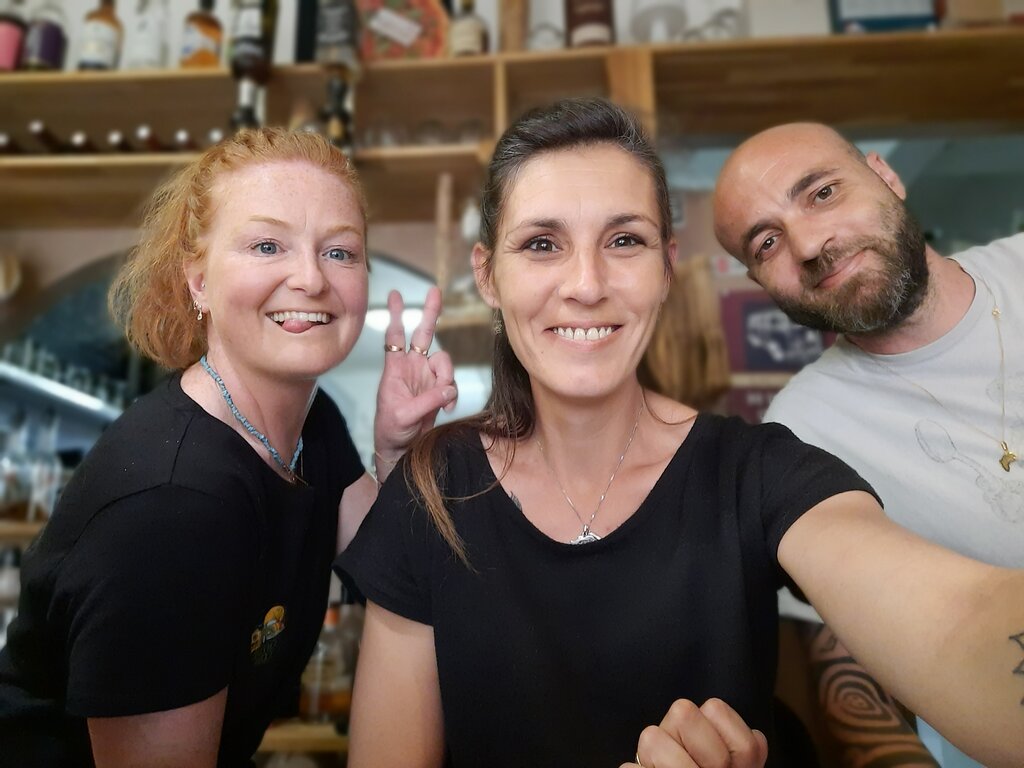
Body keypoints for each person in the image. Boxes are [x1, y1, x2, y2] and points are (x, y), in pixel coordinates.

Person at [335, 98, 1024, 768]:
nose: (586, 284)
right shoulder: (432, 487)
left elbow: (960, 620)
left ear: (666, 268)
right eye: (542, 244)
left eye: (624, 241)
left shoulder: (760, 471)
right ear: (489, 275)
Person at [0, 128, 458, 767]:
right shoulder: (171, 507)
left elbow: (389, 565)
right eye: (267, 245)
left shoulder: (312, 422)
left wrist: (394, 452)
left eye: (340, 252)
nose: (311, 278)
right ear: (198, 283)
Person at [712, 122, 1024, 766]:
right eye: (767, 242)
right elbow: (847, 682)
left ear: (886, 176)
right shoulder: (801, 434)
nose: (808, 245)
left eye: (822, 193)